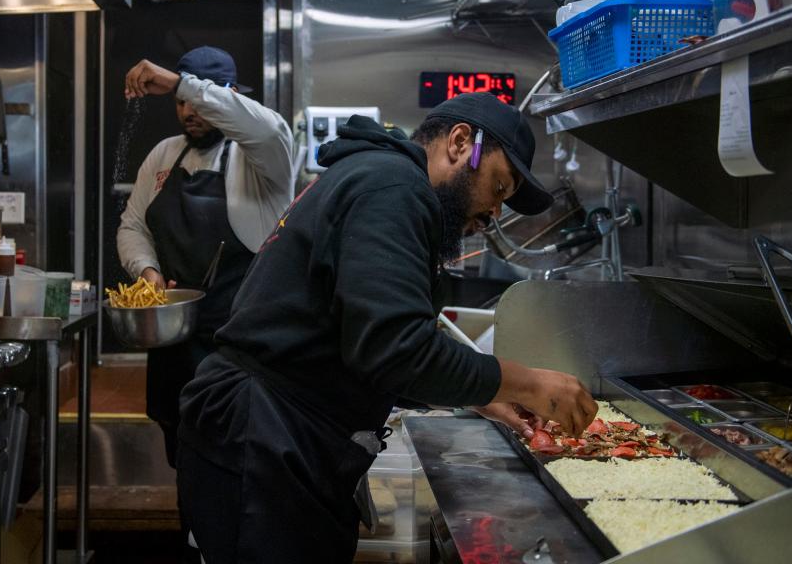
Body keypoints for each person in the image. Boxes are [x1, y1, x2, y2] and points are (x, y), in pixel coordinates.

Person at [176, 92, 598, 563]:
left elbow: (366, 345)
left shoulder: (376, 177)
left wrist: (484, 395)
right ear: (460, 143)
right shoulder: (394, 186)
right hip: (263, 439)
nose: (495, 213)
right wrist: (532, 383)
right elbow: (397, 349)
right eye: (499, 188)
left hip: (274, 434)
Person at [117, 46, 294, 468]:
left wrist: (185, 86)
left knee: (232, 465)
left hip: (239, 348)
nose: (189, 111)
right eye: (181, 103)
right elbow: (133, 226)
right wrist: (148, 271)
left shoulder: (263, 158)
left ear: (230, 97)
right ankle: (190, 533)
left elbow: (268, 129)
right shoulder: (163, 155)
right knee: (182, 455)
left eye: (198, 100)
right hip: (174, 343)